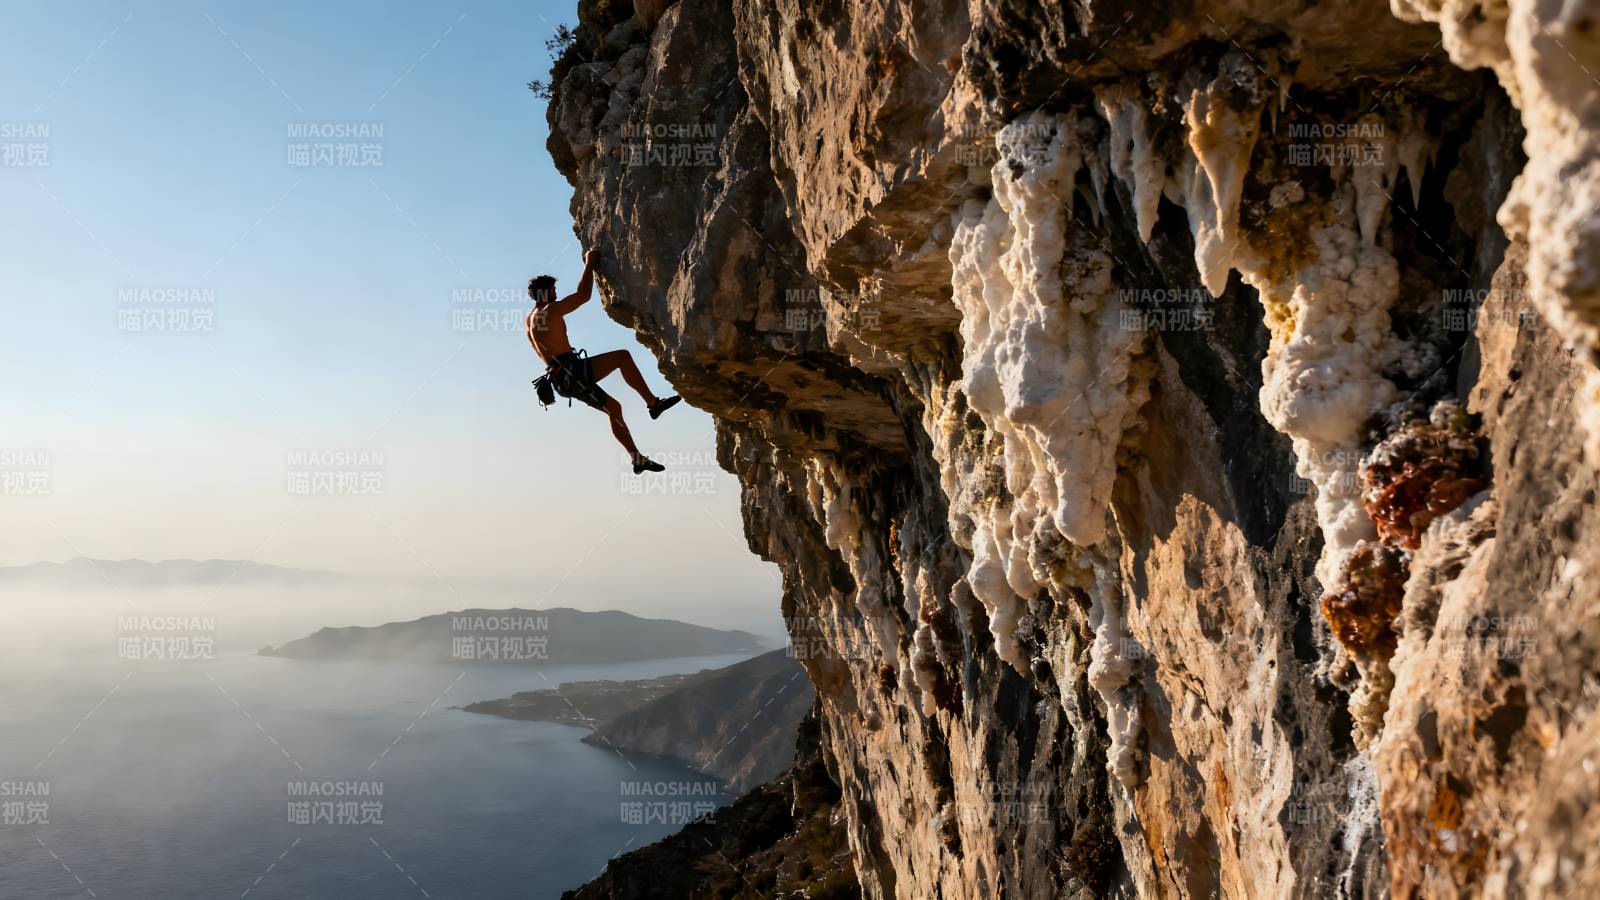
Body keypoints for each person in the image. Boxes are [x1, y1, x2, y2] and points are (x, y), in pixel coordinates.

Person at [527, 248, 681, 473]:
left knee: (614, 409)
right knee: (622, 357)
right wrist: (590, 263)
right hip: (571, 371)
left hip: (561, 381)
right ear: (546, 292)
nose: (556, 293)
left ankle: (637, 458)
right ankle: (653, 403)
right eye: (553, 290)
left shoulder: (530, 319)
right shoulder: (550, 310)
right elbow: (583, 296)